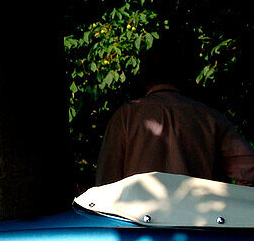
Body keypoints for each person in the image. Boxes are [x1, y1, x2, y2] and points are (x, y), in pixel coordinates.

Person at [96, 37, 254, 186]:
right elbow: (249, 168)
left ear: (143, 78)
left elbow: (106, 182)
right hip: (196, 212)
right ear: (183, 76)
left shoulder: (126, 116)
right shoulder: (209, 118)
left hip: (136, 214)